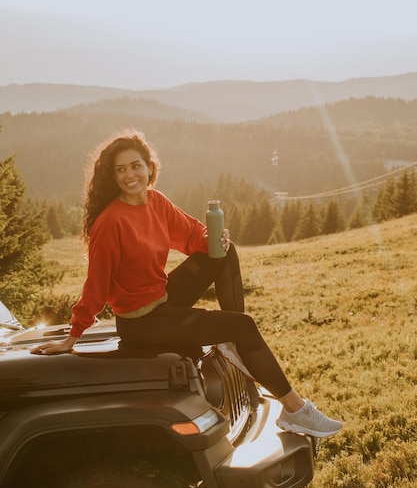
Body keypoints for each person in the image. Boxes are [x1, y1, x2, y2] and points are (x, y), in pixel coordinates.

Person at [31, 129, 342, 438]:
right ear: (112, 176)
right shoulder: (110, 223)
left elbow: (193, 235)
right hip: (141, 322)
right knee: (244, 326)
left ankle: (233, 340)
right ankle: (295, 410)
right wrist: (73, 335)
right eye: (120, 169)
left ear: (149, 167)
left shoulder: (156, 201)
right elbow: (95, 286)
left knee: (223, 251)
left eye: (135, 166)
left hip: (162, 296)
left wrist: (213, 240)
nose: (129, 175)